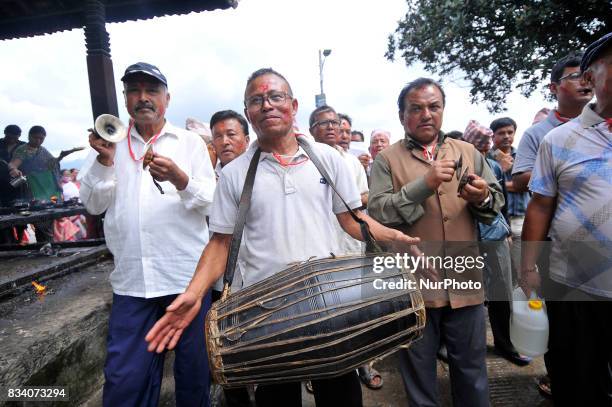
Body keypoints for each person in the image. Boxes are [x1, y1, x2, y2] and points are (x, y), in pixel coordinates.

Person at [145, 67, 419, 407]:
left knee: (341, 396)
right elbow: (220, 243)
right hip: (267, 310)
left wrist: (393, 237)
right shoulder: (233, 175)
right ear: (249, 113)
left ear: (293, 105)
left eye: (276, 97)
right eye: (257, 100)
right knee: (277, 400)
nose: (267, 105)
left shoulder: (328, 159)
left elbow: (351, 220)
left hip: (330, 304)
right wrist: (193, 293)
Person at [80, 62, 216, 407]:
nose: (143, 98)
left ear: (166, 99)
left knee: (193, 376)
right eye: (134, 91)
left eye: (151, 91)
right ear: (126, 100)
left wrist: (180, 179)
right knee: (125, 380)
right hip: (132, 284)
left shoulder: (189, 144)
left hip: (186, 281)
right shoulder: (109, 145)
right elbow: (93, 205)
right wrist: (105, 162)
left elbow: (211, 202)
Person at [368, 78, 504, 407]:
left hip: (465, 280)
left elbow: (496, 201)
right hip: (413, 288)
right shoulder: (387, 160)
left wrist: (483, 196)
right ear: (402, 116)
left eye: (434, 106)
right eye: (416, 108)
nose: (426, 114)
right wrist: (423, 184)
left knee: (472, 372)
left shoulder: (468, 152)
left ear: (443, 110)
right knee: (418, 376)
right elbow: (378, 214)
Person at [520, 33, 612, 407]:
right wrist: (527, 267)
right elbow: (540, 205)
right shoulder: (557, 141)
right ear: (590, 78)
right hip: (575, 287)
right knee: (577, 380)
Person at [510, 51, 594, 399]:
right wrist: (563, 171)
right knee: (561, 326)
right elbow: (519, 179)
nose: (585, 82)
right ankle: (559, 381)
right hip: (553, 242)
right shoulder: (542, 135)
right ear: (555, 87)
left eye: (588, 75)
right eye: (576, 76)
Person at [463, 120, 529, 366]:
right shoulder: (454, 167)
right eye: (475, 145)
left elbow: (501, 202)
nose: (480, 150)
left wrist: (508, 231)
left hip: (494, 236)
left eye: (483, 146)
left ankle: (506, 344)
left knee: (502, 292)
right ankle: (460, 346)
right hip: (465, 239)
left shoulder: (494, 167)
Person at [309, 106, 368, 256]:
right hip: (315, 247)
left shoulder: (352, 162)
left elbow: (365, 197)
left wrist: (344, 200)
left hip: (347, 243)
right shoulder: (302, 160)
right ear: (311, 131)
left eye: (334, 123)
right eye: (323, 123)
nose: (330, 127)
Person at [489, 117, 531, 285]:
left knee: (524, 266)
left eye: (510, 132)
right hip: (497, 221)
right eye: (501, 133)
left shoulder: (523, 155)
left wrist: (502, 184)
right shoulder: (486, 157)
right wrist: (512, 183)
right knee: (501, 269)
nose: (506, 136)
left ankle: (528, 304)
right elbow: (484, 189)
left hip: (521, 218)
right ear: (493, 136)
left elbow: (531, 184)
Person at [0, 124, 26, 243]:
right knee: (4, 214)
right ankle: (8, 242)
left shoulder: (23, 146)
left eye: (14, 137)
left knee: (20, 212)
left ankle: (20, 240)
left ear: (19, 136)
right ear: (5, 133)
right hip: (2, 185)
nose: (11, 140)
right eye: (9, 136)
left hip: (19, 185)